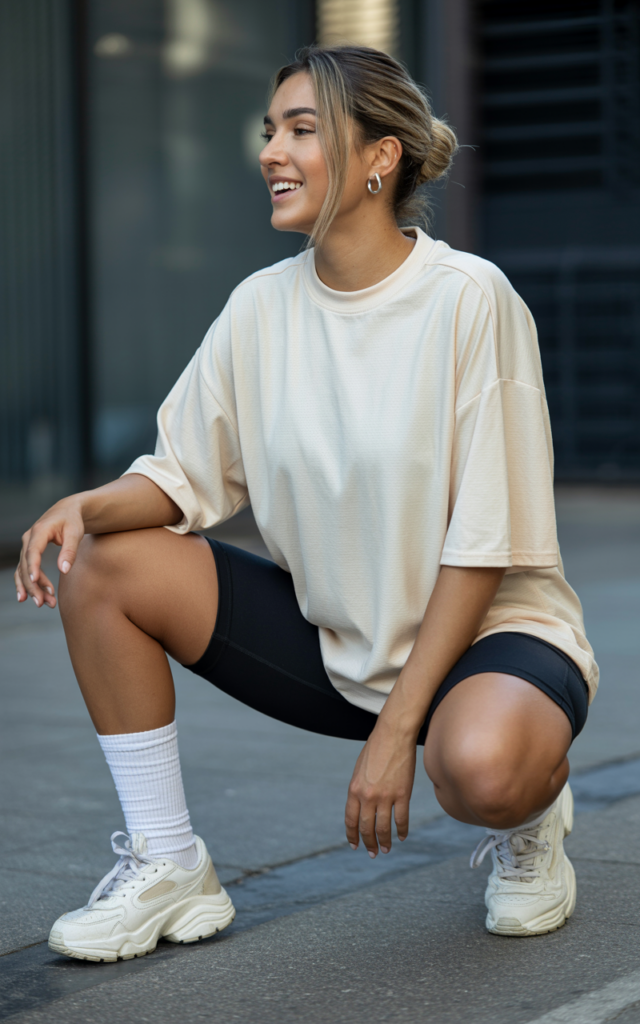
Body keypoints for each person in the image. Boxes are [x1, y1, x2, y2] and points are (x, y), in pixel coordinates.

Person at [15, 45, 597, 963]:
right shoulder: (260, 308)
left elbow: (486, 543)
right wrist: (84, 506)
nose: (271, 153)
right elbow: (181, 476)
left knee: (480, 770)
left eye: (302, 130)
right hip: (339, 645)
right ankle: (169, 864)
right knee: (112, 559)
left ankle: (532, 809)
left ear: (380, 157)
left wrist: (398, 735)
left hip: (489, 637)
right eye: (267, 132)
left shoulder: (470, 300)